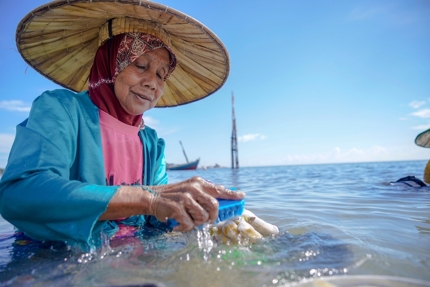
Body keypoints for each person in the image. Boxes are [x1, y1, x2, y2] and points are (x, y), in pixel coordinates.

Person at [0, 0, 244, 246]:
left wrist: (200, 214)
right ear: (110, 62)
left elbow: (158, 219)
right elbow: (20, 192)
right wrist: (146, 199)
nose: (152, 82)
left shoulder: (151, 143)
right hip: (51, 258)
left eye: (161, 74)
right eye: (141, 65)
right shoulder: (61, 110)